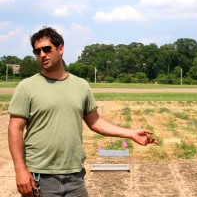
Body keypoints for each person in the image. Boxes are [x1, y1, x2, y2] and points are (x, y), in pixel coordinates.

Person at [8, 26, 156, 197]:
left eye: (47, 49)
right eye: (37, 51)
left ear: (60, 48)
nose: (42, 54)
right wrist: (20, 170)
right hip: (40, 177)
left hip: (75, 177)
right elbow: (15, 129)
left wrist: (130, 133)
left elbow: (95, 121)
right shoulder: (27, 87)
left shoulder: (81, 86)